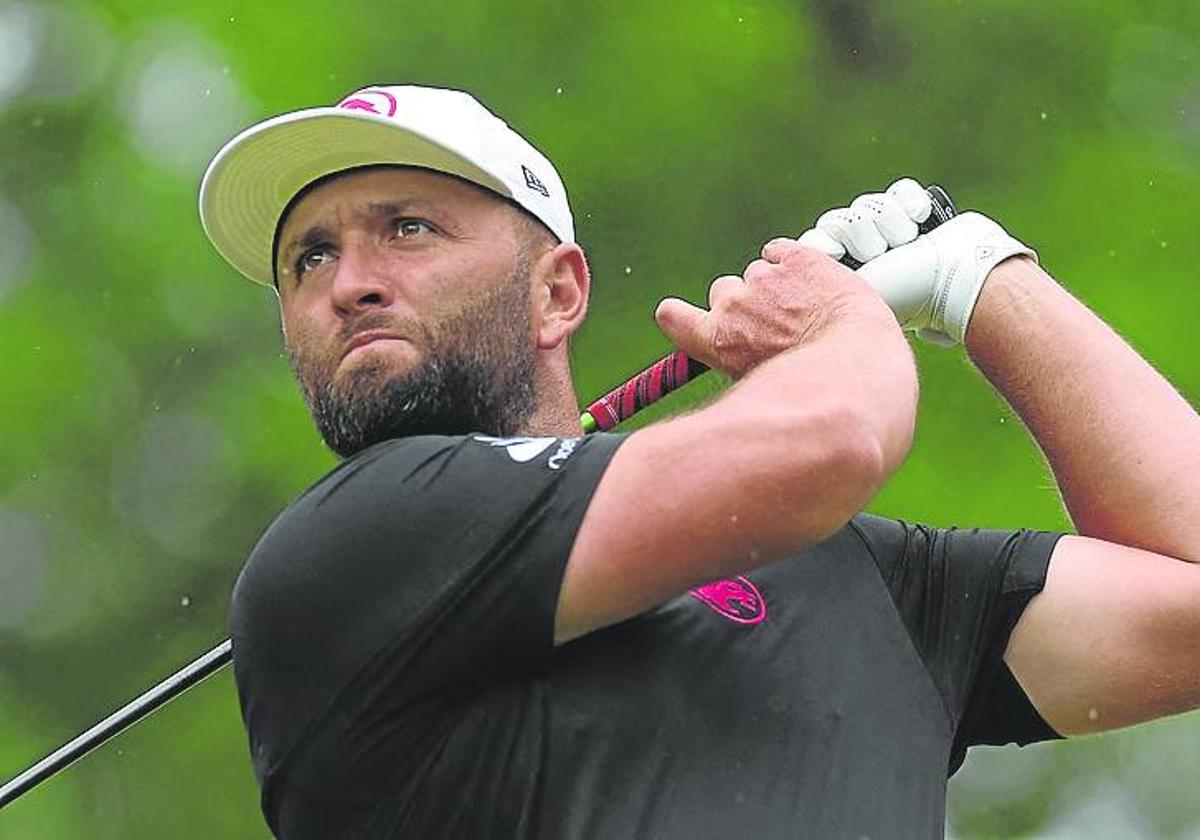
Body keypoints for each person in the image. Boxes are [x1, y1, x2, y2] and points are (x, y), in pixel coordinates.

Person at [198, 85, 1200, 839]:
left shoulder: (871, 581)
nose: (350, 284)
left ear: (556, 294)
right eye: (309, 259)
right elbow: (836, 440)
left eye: (407, 228)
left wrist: (980, 278)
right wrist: (835, 323)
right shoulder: (350, 548)